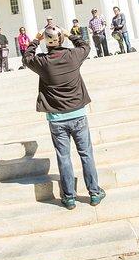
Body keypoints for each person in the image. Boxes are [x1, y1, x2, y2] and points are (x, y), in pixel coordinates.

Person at [23, 26, 105, 210]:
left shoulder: (42, 62)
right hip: (78, 115)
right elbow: (85, 45)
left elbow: (26, 57)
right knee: (86, 155)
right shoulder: (73, 56)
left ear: (46, 41)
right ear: (62, 40)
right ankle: (94, 192)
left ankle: (69, 197)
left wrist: (36, 40)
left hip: (56, 119)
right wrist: (69, 34)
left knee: (64, 157)